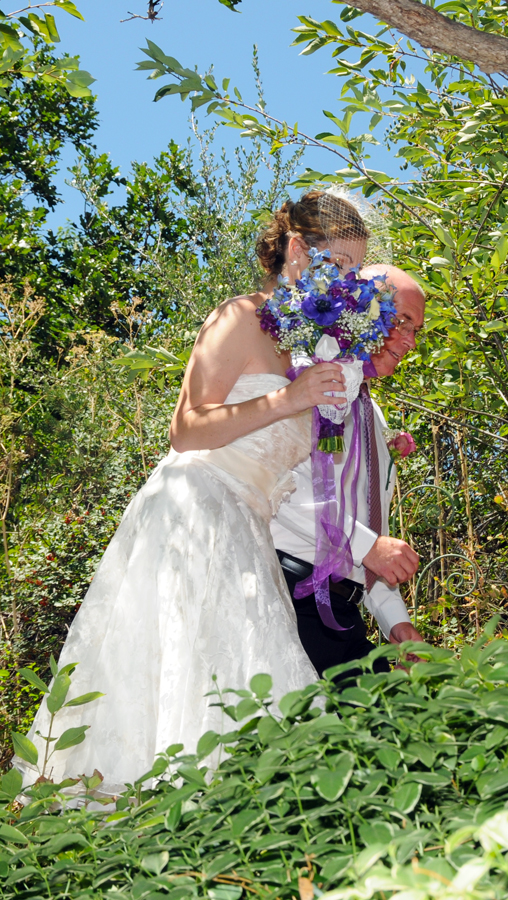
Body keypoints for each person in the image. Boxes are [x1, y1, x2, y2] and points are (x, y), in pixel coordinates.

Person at [15, 191, 369, 795]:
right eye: (335, 263)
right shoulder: (237, 317)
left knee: (235, 680)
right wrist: (290, 399)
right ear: (294, 250)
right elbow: (186, 430)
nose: (345, 280)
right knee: (181, 675)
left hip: (247, 526)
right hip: (195, 505)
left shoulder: (314, 347)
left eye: (353, 270)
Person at [271, 264, 426, 677]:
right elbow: (276, 490)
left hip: (341, 613)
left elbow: (370, 524)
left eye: (417, 330)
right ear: (365, 311)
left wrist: (396, 622)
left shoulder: (371, 412)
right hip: (289, 602)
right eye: (404, 321)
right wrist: (368, 546)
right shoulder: (306, 381)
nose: (411, 341)